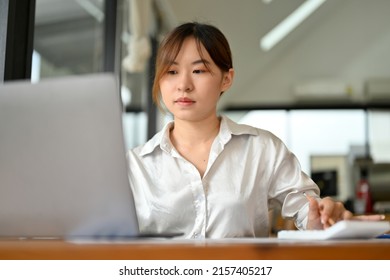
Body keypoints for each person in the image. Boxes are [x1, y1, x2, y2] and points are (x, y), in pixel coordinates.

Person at [127, 21, 384, 239]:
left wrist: (324, 217)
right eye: (171, 71)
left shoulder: (262, 149)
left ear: (226, 79)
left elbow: (309, 214)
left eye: (198, 70)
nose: (183, 85)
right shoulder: (135, 165)